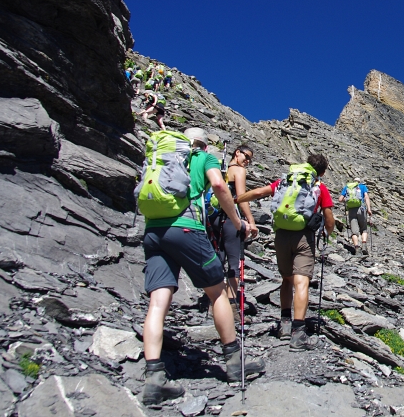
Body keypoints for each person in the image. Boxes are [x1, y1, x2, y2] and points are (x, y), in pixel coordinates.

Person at [139, 128, 265, 405]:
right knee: (217, 291)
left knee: (158, 301)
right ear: (205, 145)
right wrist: (236, 221)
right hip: (186, 229)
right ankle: (234, 363)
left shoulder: (160, 157)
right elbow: (220, 187)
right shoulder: (203, 158)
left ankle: (154, 377)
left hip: (153, 231)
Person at [236, 154, 335, 350]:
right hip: (304, 238)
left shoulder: (285, 181)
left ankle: (284, 324)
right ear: (321, 172)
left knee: (287, 280)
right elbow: (329, 216)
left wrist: (234, 199)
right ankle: (298, 334)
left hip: (281, 235)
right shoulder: (318, 186)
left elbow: (259, 193)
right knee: (301, 282)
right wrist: (326, 232)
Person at [218, 145, 259, 316]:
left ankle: (215, 303)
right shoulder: (239, 171)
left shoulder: (222, 170)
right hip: (230, 220)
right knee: (234, 262)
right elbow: (241, 198)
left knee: (218, 259)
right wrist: (251, 220)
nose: (248, 161)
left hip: (214, 219)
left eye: (250, 159)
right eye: (247, 156)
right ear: (237, 153)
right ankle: (231, 307)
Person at [338, 178, 372, 255]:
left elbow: (340, 199)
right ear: (359, 182)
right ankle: (363, 245)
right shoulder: (363, 187)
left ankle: (356, 247)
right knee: (364, 229)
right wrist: (369, 209)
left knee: (354, 231)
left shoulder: (347, 187)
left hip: (351, 210)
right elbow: (366, 197)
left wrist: (347, 200)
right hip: (361, 209)